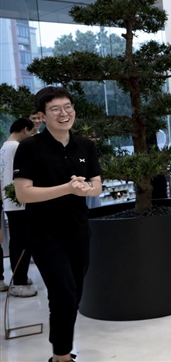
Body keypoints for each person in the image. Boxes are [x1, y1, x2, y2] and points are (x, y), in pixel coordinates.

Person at [13, 86, 102, 362]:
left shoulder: (85, 145)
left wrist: (86, 189)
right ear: (42, 116)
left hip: (78, 231)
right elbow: (23, 193)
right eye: (55, 109)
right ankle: (61, 356)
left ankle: (61, 349)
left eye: (68, 107)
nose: (64, 113)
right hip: (44, 234)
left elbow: (97, 185)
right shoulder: (29, 148)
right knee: (63, 293)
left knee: (73, 295)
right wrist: (67, 188)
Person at [0, 117, 37, 297]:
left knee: (17, 241)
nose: (31, 136)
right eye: (32, 132)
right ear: (25, 129)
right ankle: (19, 283)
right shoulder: (17, 147)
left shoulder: (3, 148)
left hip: (10, 201)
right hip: (21, 201)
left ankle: (19, 278)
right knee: (22, 243)